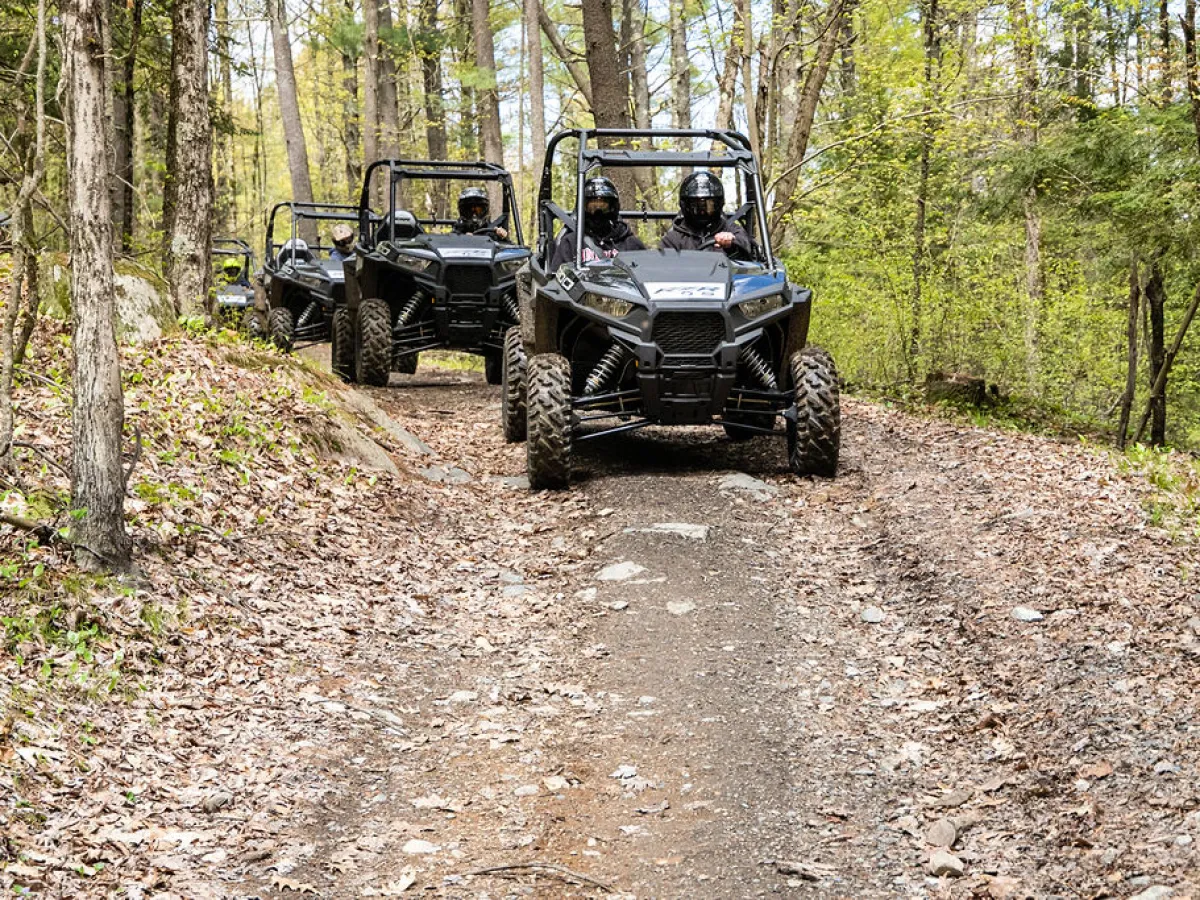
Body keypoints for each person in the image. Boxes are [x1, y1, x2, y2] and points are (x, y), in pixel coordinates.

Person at [548, 176, 645, 272]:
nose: (598, 212)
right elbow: (557, 279)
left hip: (622, 286)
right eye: (593, 207)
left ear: (613, 208)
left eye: (603, 207)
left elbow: (646, 275)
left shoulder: (631, 244)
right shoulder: (570, 243)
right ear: (582, 208)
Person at [660, 171, 754, 259]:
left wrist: (732, 242)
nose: (702, 212)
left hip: (725, 275)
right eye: (696, 206)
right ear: (685, 205)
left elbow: (746, 245)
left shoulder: (731, 230)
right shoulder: (673, 239)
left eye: (709, 206)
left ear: (718, 204)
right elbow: (664, 268)